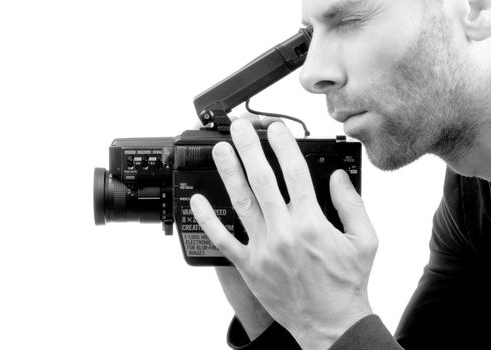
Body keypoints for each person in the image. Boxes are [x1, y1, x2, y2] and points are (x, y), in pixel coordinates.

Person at [189, 0, 491, 348]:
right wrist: (276, 305)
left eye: (349, 21)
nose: (310, 75)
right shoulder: (471, 198)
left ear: (476, 9)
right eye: (311, 35)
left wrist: (332, 323)